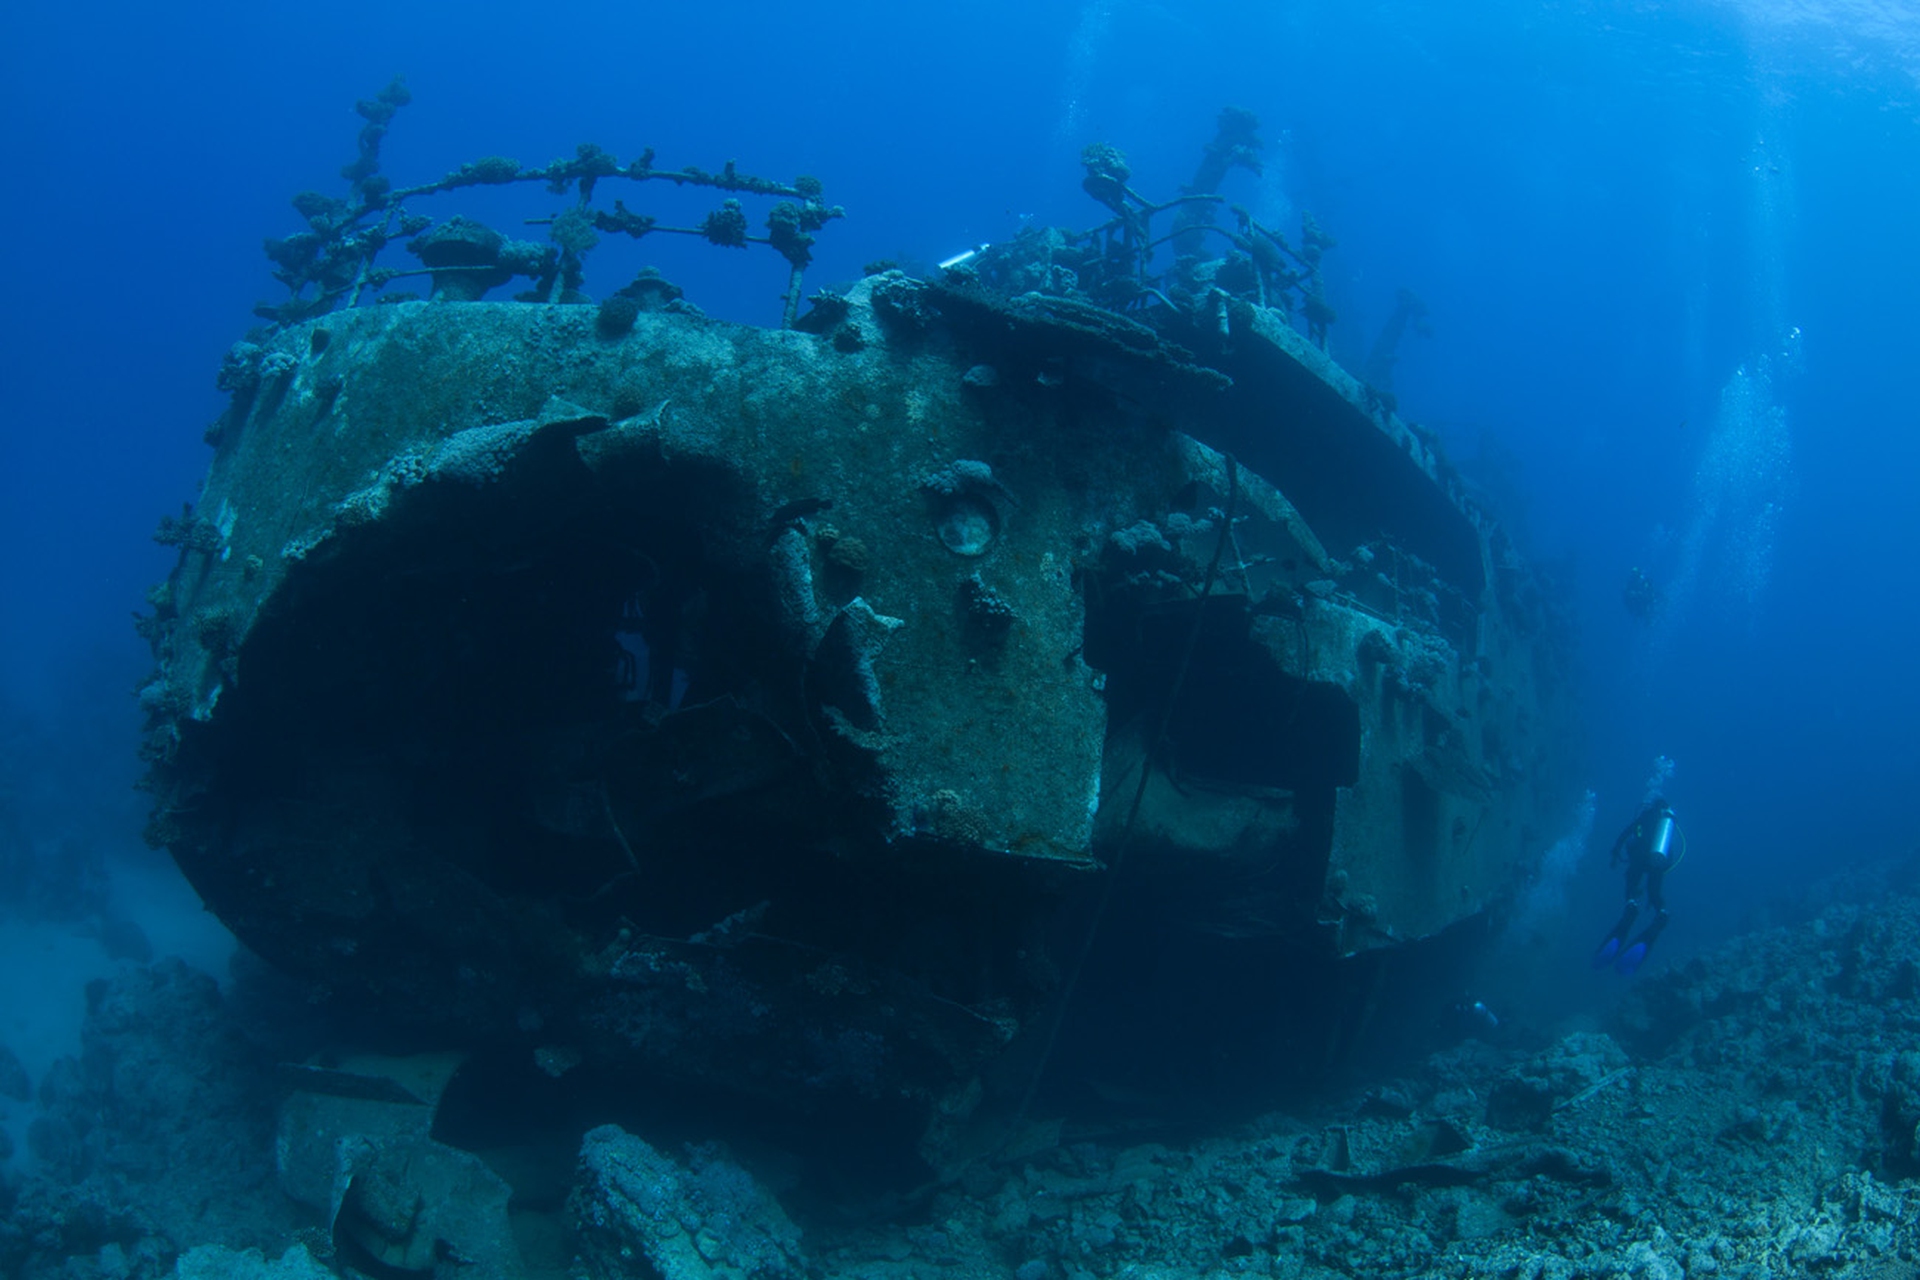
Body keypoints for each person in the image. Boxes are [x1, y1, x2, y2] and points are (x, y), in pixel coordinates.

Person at [1592, 796, 1683, 974]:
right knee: (1655, 896)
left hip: (1639, 860)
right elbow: (1670, 854)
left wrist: (1615, 851)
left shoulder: (1646, 815)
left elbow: (1627, 832)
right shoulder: (1667, 824)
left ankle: (1631, 908)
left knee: (1632, 889)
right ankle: (1661, 915)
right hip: (1658, 862)